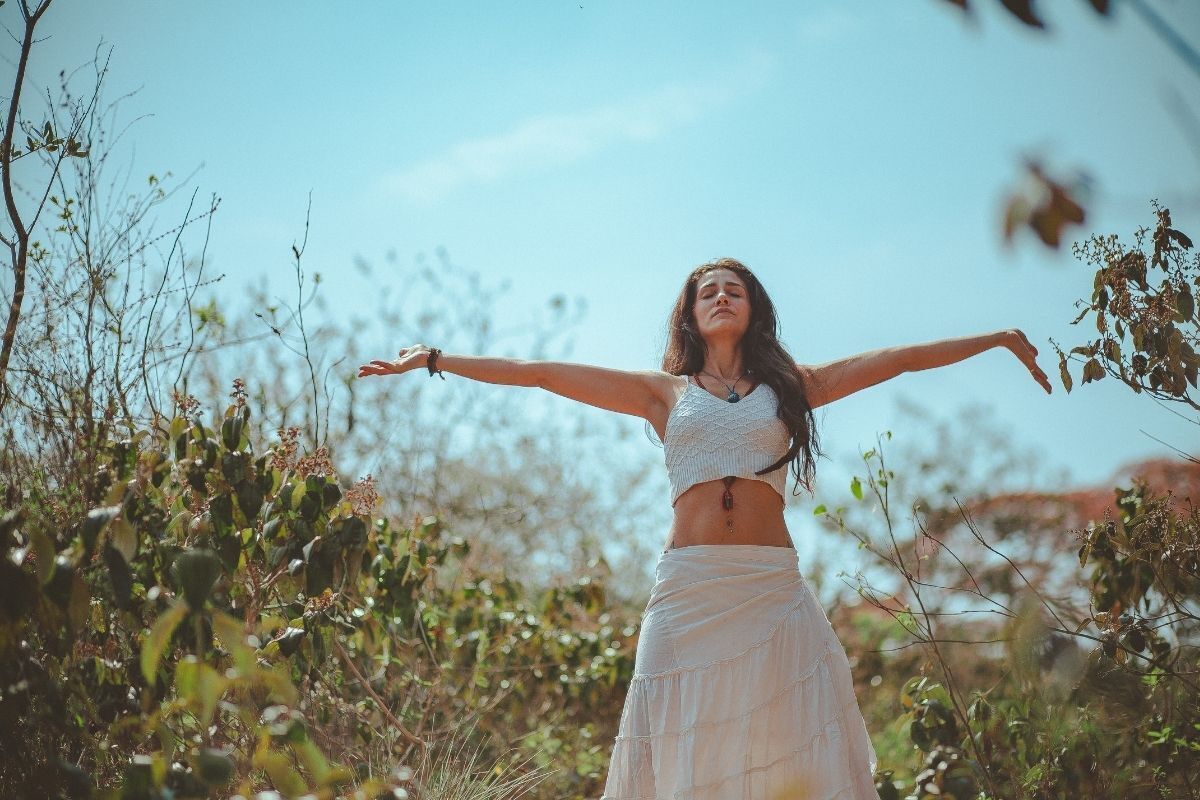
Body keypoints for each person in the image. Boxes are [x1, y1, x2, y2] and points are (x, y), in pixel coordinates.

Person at [357, 257, 1051, 799]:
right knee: (674, 738)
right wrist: (438, 360)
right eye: (708, 291)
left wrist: (992, 339)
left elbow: (898, 359)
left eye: (735, 290)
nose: (721, 297)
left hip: (768, 589)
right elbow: (539, 374)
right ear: (690, 312)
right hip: (689, 590)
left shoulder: (791, 387)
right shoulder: (663, 393)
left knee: (789, 737)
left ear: (754, 312)